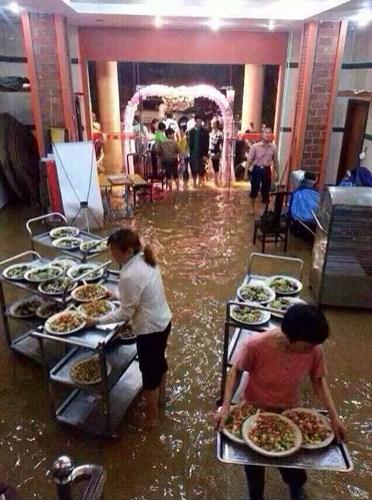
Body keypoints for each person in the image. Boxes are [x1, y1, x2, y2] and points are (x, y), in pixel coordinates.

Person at [215, 304, 346, 500]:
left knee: (293, 467)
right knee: (255, 468)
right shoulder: (256, 345)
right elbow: (235, 371)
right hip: (253, 411)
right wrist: (225, 408)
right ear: (291, 338)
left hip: (289, 412)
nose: (313, 348)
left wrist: (334, 418)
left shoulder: (314, 350)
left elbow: (318, 380)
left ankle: (296, 489)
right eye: (308, 345)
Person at [87, 229, 172, 429]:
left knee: (149, 374)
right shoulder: (145, 259)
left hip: (149, 330)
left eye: (113, 251)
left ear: (126, 251)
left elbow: (125, 313)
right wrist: (115, 295)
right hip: (164, 321)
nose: (111, 254)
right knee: (159, 361)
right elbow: (139, 295)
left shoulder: (129, 275)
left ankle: (152, 419)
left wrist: (96, 321)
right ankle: (162, 400)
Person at [246, 126, 279, 214]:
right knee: (254, 189)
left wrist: (277, 173)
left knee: (266, 190)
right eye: (266, 132)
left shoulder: (273, 147)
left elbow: (276, 162)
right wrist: (246, 173)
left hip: (267, 169)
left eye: (270, 133)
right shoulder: (255, 147)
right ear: (262, 135)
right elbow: (249, 160)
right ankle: (252, 207)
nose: (268, 134)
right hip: (256, 169)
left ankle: (264, 210)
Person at [157, 127, 182, 192]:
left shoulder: (161, 142)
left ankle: (170, 190)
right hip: (174, 160)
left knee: (168, 175)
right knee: (175, 174)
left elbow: (157, 151)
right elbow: (179, 150)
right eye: (172, 134)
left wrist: (162, 154)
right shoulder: (174, 142)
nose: (173, 135)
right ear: (169, 134)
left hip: (165, 160)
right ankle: (177, 189)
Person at [188, 114, 210, 188]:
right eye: (198, 121)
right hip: (193, 153)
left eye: (200, 121)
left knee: (201, 169)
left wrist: (205, 154)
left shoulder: (205, 132)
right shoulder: (191, 131)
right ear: (195, 121)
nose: (199, 123)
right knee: (194, 169)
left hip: (201, 153)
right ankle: (194, 184)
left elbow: (207, 144)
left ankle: (200, 183)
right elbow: (189, 142)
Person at [209, 120, 223, 186]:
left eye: (212, 123)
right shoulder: (211, 133)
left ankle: (216, 182)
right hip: (210, 152)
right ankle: (213, 181)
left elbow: (220, 144)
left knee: (216, 167)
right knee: (210, 168)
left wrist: (219, 152)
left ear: (215, 125)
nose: (211, 124)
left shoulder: (220, 134)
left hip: (216, 152)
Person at [178, 124, 190, 189]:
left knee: (185, 170)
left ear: (182, 130)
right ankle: (185, 184)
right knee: (184, 170)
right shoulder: (183, 138)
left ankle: (185, 184)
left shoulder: (184, 138)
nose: (179, 131)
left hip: (184, 156)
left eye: (180, 129)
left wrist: (181, 156)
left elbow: (183, 148)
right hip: (183, 156)